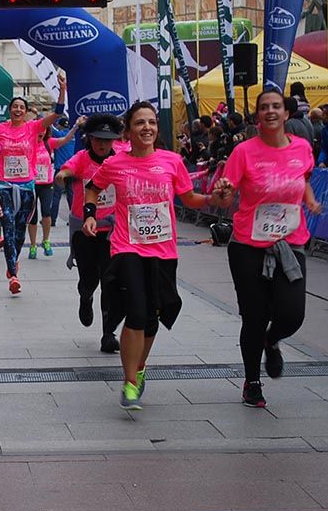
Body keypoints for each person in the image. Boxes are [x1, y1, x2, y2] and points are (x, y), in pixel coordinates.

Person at [83, 102, 216, 410]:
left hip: (163, 250)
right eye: (140, 123)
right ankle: (129, 383)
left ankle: (140, 369)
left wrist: (212, 198)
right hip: (127, 246)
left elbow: (189, 198)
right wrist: (90, 215)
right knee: (137, 312)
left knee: (154, 317)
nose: (147, 128)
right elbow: (92, 188)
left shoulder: (171, 161)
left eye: (152, 122)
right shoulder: (115, 163)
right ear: (128, 131)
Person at [211, 89, 322, 408]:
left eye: (276, 106)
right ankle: (252, 381)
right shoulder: (243, 152)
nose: (270, 111)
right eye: (264, 107)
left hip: (290, 242)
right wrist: (221, 191)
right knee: (255, 316)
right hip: (248, 244)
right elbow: (226, 197)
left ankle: (271, 342)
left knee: (292, 314)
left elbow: (303, 179)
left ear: (286, 114)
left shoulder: (301, 147)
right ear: (257, 116)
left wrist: (310, 200)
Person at [0, 73, 68, 294]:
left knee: (19, 231)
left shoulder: (34, 127)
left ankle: (13, 260)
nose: (17, 110)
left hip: (27, 187)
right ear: (10, 111)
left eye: (21, 107)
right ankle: (14, 275)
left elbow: (57, 113)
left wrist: (62, 89)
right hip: (4, 186)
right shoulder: (0, 130)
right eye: (14, 106)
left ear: (25, 112)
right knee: (7, 225)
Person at [56, 113, 126, 353]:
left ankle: (108, 333)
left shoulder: (120, 160)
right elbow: (65, 171)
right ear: (90, 139)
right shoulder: (82, 159)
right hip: (84, 231)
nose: (102, 144)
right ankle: (85, 297)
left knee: (110, 281)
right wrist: (63, 176)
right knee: (89, 280)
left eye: (107, 139)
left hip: (112, 230)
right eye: (97, 139)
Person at [27, 119, 79, 260]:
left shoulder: (49, 143)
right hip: (31, 184)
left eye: (43, 130)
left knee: (46, 211)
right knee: (32, 216)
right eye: (38, 130)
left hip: (46, 184)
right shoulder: (27, 144)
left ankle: (46, 241)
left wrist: (75, 127)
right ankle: (32, 245)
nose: (41, 133)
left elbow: (66, 139)